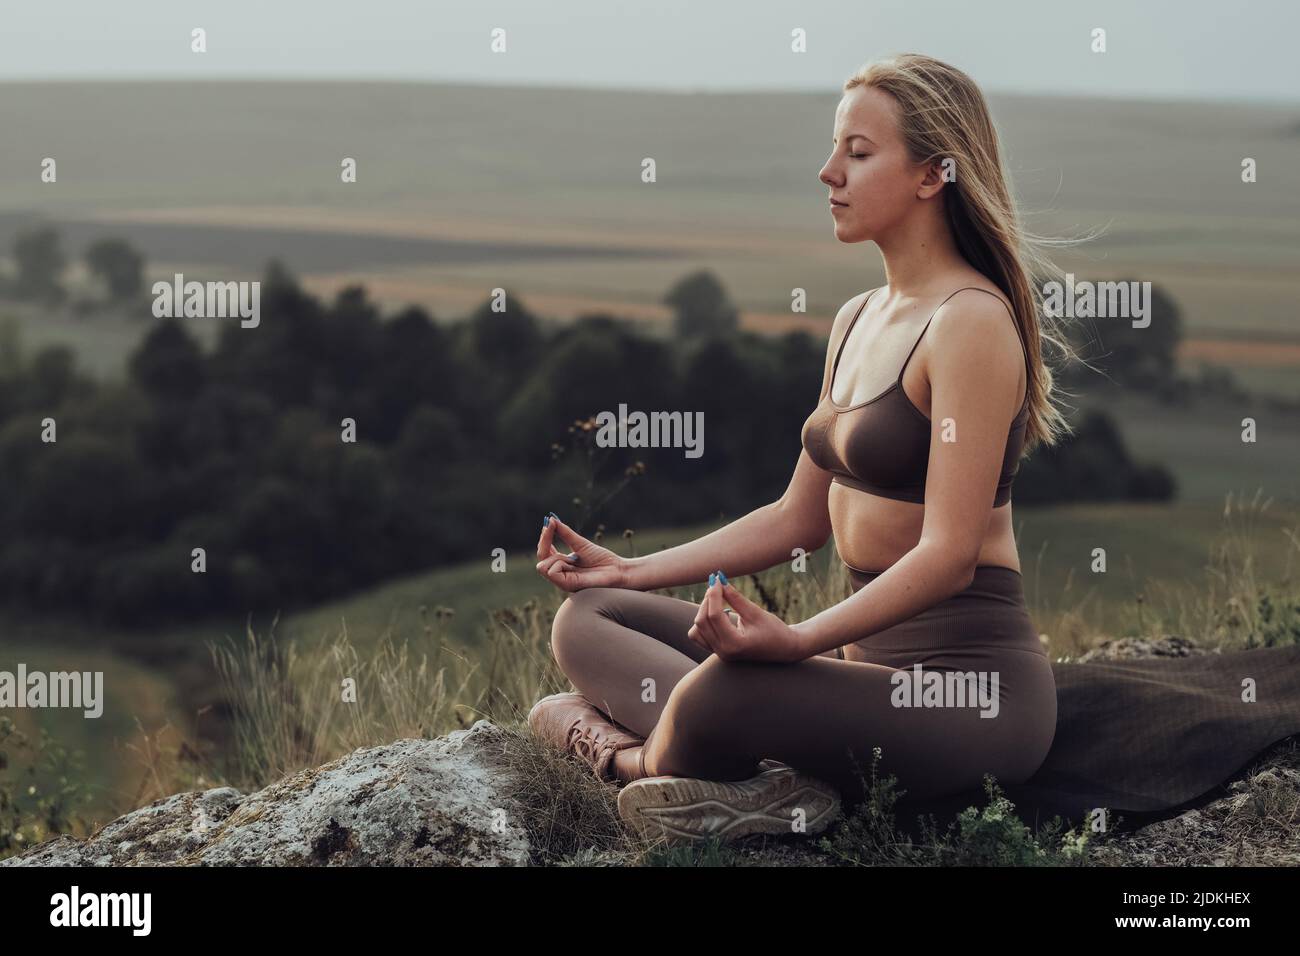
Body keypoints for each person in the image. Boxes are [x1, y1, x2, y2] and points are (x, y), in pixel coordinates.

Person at [527, 53, 1079, 844]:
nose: (828, 173)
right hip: (861, 680)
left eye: (858, 152)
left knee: (728, 692)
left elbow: (952, 554)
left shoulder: (970, 323)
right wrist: (629, 569)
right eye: (834, 151)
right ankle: (751, 770)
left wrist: (795, 643)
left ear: (932, 175)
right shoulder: (858, 318)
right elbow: (796, 518)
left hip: (966, 698)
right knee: (588, 617)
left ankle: (625, 760)